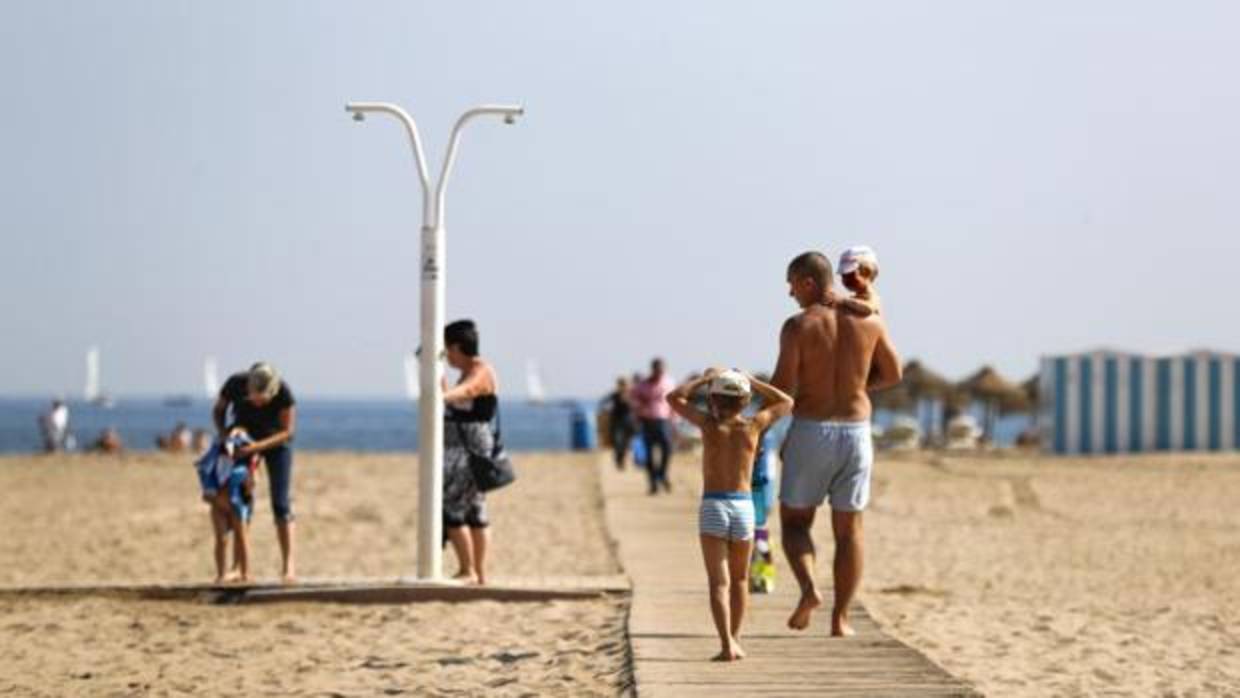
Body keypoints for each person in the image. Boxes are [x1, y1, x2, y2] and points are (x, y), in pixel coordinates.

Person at [772, 251, 902, 637]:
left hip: (812, 429)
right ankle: (841, 620)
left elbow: (782, 388)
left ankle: (810, 588)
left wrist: (760, 424)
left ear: (809, 282)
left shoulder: (798, 326)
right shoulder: (870, 321)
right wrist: (858, 386)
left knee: (795, 524)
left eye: (792, 283)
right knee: (850, 531)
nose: (789, 292)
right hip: (856, 431)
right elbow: (893, 374)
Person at [667, 369, 793, 661]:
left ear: (713, 398)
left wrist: (704, 379)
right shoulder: (754, 426)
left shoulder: (709, 425)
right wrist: (753, 380)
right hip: (743, 507)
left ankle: (725, 643)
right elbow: (786, 401)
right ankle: (736, 639)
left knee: (718, 583)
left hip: (714, 505)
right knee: (739, 581)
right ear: (746, 400)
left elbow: (673, 398)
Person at [213, 362, 298, 583]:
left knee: (281, 503)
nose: (260, 402)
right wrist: (224, 434)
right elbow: (219, 410)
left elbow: (288, 432)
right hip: (244, 442)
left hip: (276, 444)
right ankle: (238, 568)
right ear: (248, 388)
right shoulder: (235, 384)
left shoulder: (284, 392)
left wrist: (258, 448)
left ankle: (288, 567)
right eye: (256, 397)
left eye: (265, 397)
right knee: (241, 503)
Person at [441, 319, 501, 585]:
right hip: (462, 446)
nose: (447, 356)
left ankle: (469, 569)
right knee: (475, 509)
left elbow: (468, 391)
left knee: (453, 506)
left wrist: (443, 395)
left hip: (470, 448)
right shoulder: (464, 373)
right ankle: (478, 573)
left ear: (457, 347)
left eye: (447, 351)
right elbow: (455, 396)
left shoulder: (481, 371)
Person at [195, 428, 260, 583]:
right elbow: (206, 481)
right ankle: (221, 573)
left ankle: (245, 572)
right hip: (219, 503)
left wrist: (251, 483)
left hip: (237, 502)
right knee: (221, 538)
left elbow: (253, 480)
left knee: (241, 537)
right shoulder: (214, 462)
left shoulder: (246, 464)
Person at [630, 358, 675, 494]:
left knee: (667, 449)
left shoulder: (669, 382)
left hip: (664, 421)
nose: (659, 372)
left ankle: (661, 474)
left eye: (662, 370)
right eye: (657, 370)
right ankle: (653, 482)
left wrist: (674, 418)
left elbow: (674, 400)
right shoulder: (642, 385)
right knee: (649, 454)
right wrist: (639, 408)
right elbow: (633, 399)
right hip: (647, 421)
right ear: (653, 369)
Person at [836, 245, 883, 317]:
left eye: (850, 275)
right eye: (843, 276)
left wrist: (842, 300)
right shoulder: (853, 299)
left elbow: (868, 308)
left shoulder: (872, 297)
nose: (846, 280)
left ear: (867, 272)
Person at [601, 377, 636, 469]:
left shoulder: (631, 395)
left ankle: (621, 460)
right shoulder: (614, 395)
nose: (623, 386)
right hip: (617, 422)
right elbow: (603, 402)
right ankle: (618, 459)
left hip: (629, 422)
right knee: (617, 442)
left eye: (625, 384)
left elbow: (637, 405)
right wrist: (606, 410)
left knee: (625, 443)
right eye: (621, 384)